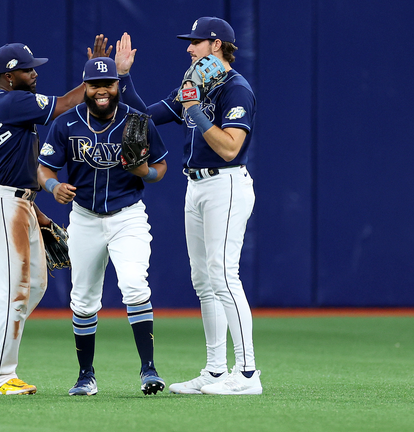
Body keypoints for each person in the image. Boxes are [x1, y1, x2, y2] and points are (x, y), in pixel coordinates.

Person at [113, 17, 262, 395]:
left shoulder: (235, 88)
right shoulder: (195, 85)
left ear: (215, 45)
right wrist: (124, 77)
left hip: (226, 182)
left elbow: (230, 147)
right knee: (204, 280)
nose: (188, 48)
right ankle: (214, 371)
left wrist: (194, 110)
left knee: (224, 274)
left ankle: (247, 374)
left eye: (195, 42)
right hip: (195, 185)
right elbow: (145, 116)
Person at [0, 42, 86, 395]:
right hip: (3, 206)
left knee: (35, 286)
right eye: (29, 69)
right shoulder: (11, 101)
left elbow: (18, 165)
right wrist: (96, 76)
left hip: (18, 203)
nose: (35, 73)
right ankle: (1, 376)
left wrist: (37, 211)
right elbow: (64, 105)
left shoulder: (1, 103)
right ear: (10, 76)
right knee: (15, 293)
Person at [37, 57, 169, 396]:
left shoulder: (136, 121)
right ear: (85, 87)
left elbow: (160, 168)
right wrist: (54, 187)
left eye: (108, 84)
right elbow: (45, 169)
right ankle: (85, 376)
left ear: (116, 86)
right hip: (84, 218)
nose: (101, 91)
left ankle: (149, 370)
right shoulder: (67, 124)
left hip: (128, 216)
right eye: (94, 85)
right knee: (82, 300)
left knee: (135, 286)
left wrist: (145, 173)